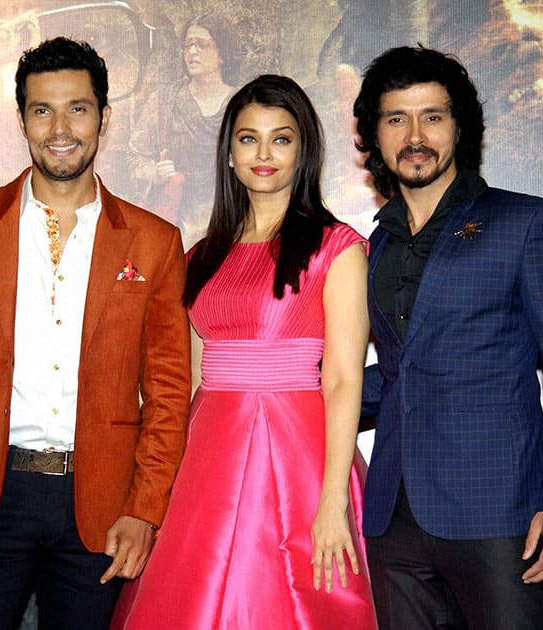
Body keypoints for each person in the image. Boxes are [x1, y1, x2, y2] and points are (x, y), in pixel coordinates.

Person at [0, 37, 191, 630]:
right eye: (42, 110)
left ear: (104, 118)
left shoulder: (154, 241)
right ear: (22, 120)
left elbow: (168, 393)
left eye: (78, 108)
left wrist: (144, 508)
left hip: (103, 507)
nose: (60, 127)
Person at [112, 74, 377, 629]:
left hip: (299, 458)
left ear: (304, 151)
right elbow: (179, 381)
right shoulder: (202, 254)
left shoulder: (339, 248)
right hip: (203, 454)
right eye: (248, 138)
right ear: (229, 152)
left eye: (281, 139)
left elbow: (344, 379)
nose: (264, 154)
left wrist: (333, 504)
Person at [354, 46, 543, 629]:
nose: (415, 136)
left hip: (499, 512)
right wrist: (286, 390)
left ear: (460, 128)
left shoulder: (527, 223)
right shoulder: (376, 245)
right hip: (392, 517)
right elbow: (397, 374)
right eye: (396, 119)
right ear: (376, 137)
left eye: (432, 117)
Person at [128, 13, 241, 248]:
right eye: (188, 45)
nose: (192, 52)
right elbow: (135, 157)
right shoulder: (164, 101)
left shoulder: (241, 104)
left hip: (230, 216)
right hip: (175, 215)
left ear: (222, 53)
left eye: (202, 45)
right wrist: (154, 173)